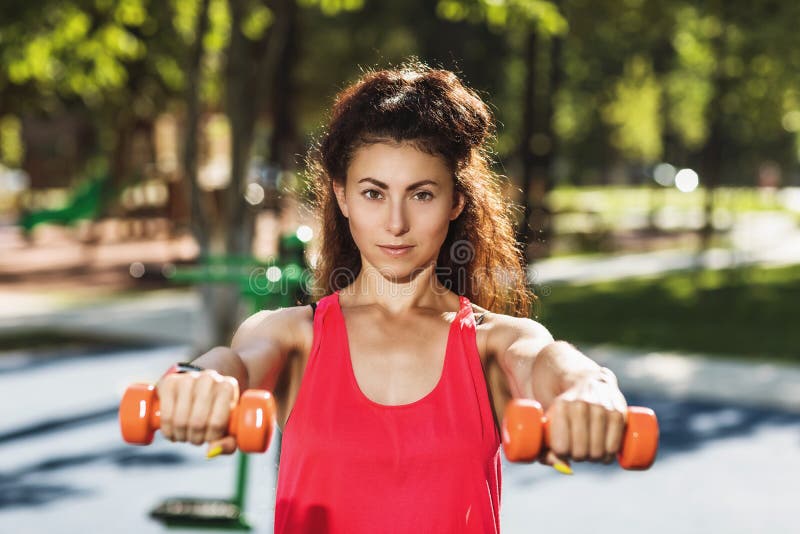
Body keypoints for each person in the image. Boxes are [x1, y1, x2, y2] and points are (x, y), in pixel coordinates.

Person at [155, 58, 629, 533]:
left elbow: (547, 361)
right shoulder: (289, 336)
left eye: (422, 194)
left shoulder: (496, 344)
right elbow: (233, 366)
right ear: (342, 197)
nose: (396, 223)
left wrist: (590, 386)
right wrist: (199, 379)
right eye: (373, 193)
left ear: (455, 202)